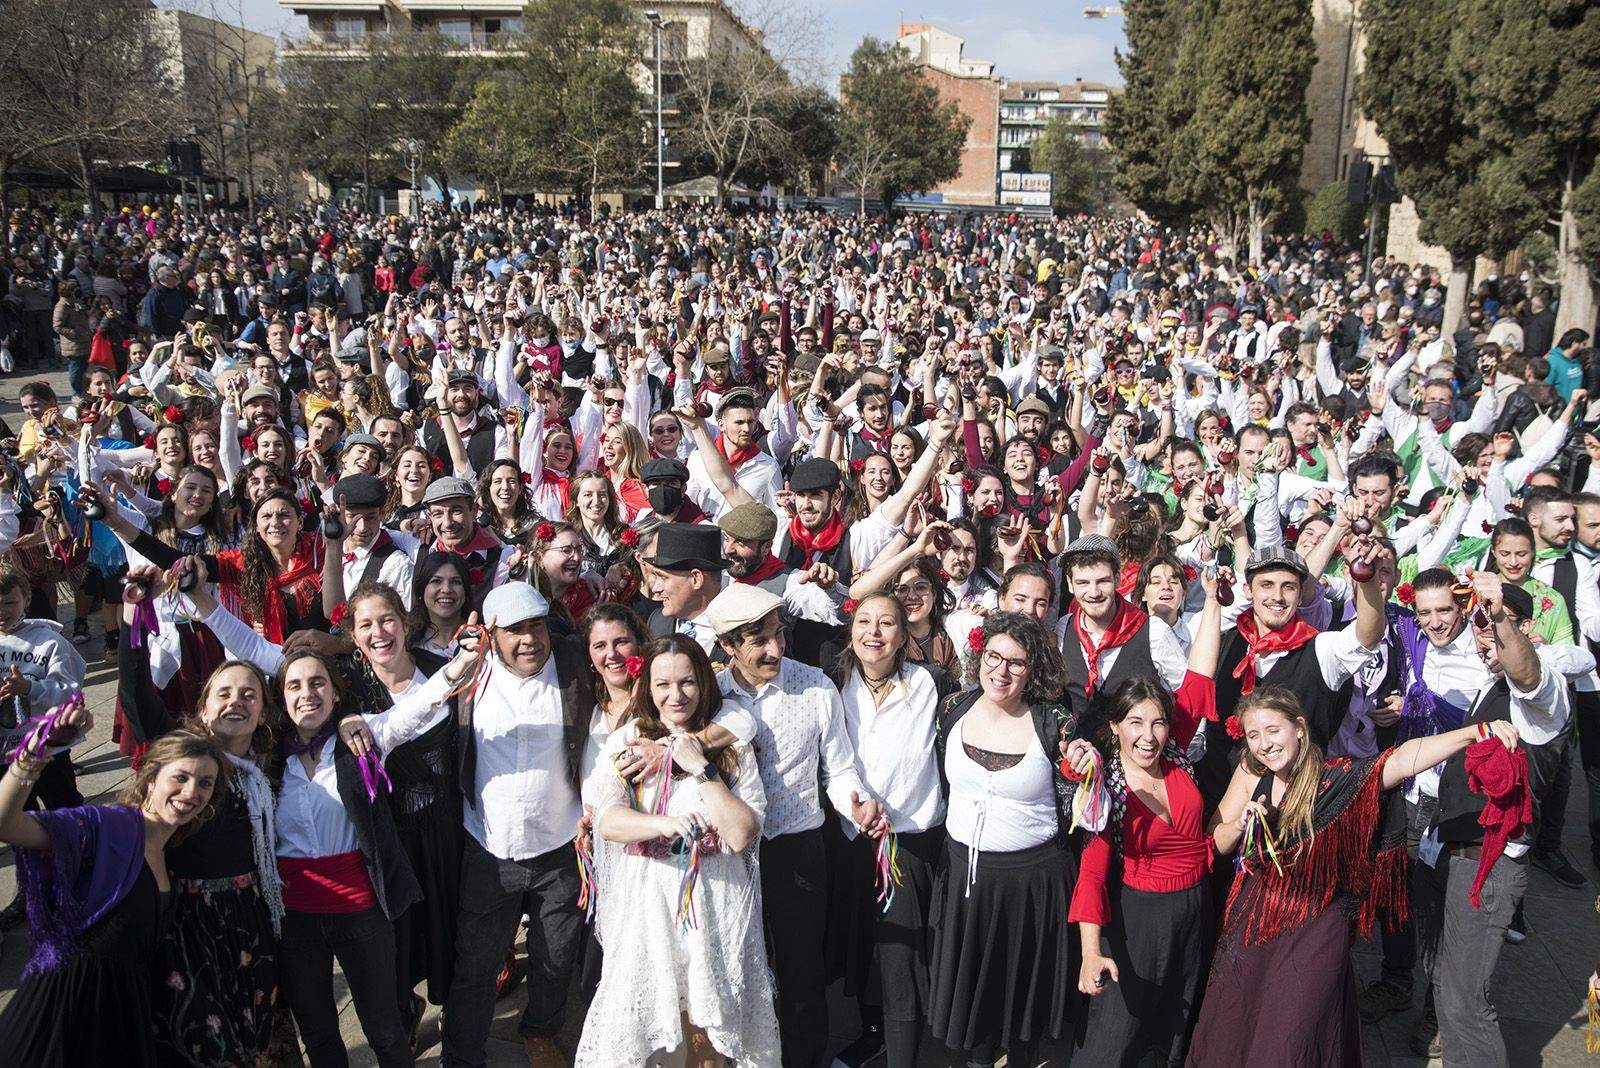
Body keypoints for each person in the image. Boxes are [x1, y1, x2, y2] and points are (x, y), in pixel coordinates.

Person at [1186, 677, 1521, 1066]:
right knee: (1239, 1018)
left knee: (1293, 1030)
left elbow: (1400, 760)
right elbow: (1217, 839)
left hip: (1317, 926)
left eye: (1273, 730)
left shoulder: (1336, 777)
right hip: (1256, 918)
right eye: (1254, 735)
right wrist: (1240, 824)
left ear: (1299, 727)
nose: (1264, 744)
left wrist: (1473, 732)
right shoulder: (1250, 772)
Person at [575, 634, 778, 1065]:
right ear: (647, 688)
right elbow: (608, 819)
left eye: (686, 682)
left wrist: (700, 768)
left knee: (709, 1029)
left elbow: (742, 833)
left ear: (703, 683)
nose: (676, 695)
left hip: (714, 900)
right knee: (655, 1030)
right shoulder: (630, 741)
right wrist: (662, 824)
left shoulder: (729, 744)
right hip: (650, 900)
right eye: (663, 684)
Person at [705, 583, 883, 1068]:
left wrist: (856, 804)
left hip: (799, 850)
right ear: (727, 646)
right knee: (735, 965)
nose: (775, 649)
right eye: (758, 640)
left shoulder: (815, 686)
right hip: (729, 855)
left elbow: (839, 769)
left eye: (779, 635)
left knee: (802, 972)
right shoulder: (711, 696)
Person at [0, 719, 227, 1068]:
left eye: (205, 783)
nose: (191, 791)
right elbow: (7, 825)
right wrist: (32, 755)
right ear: (151, 778)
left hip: (119, 1018)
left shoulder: (170, 853)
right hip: (66, 1009)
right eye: (180, 777)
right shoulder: (104, 825)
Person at [928, 611, 1100, 1068]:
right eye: (993, 657)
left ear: (1032, 669)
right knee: (974, 1000)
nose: (1001, 671)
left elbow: (1079, 799)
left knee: (1023, 999)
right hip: (965, 879)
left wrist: (1085, 765)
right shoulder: (953, 708)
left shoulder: (1054, 722)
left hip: (1033, 885)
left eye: (1016, 663)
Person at [826, 594, 954, 1068]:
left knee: (901, 964)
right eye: (864, 621)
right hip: (853, 840)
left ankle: (903, 1056)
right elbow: (834, 765)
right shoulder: (833, 685)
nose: (873, 633)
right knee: (864, 952)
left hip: (909, 847)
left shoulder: (930, 684)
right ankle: (871, 1036)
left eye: (886, 623)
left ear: (904, 635)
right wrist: (855, 805)